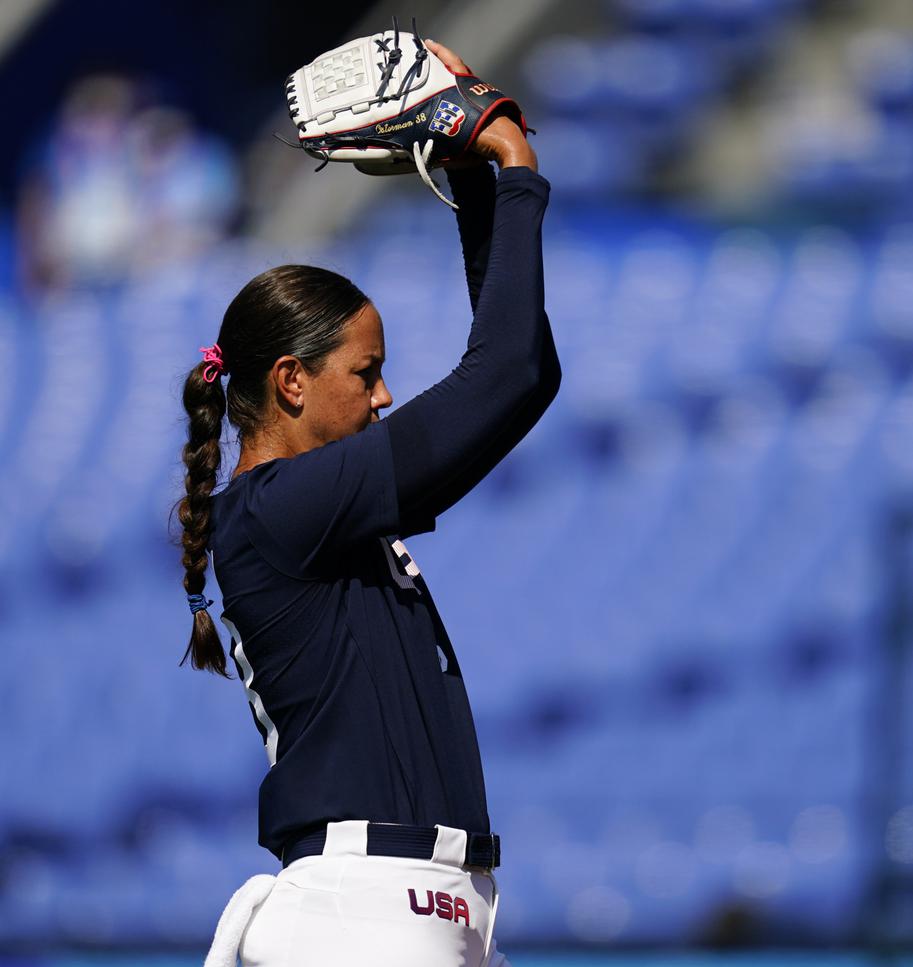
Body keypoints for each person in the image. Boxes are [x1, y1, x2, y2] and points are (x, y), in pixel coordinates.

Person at [178, 41, 559, 967]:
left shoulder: (309, 512)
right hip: (364, 916)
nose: (384, 397)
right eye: (367, 373)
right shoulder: (274, 510)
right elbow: (503, 374)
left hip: (431, 915)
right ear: (291, 382)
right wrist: (509, 164)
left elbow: (528, 374)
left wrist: (472, 184)